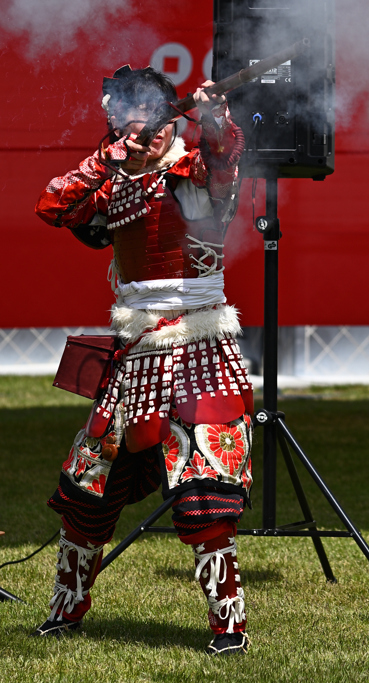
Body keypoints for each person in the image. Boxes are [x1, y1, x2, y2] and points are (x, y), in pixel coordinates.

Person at [33, 65, 252, 654]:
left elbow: (225, 158)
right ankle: (65, 610)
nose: (147, 131)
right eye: (131, 119)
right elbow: (54, 206)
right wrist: (108, 156)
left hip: (201, 349)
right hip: (135, 355)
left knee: (205, 497)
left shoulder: (192, 171)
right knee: (88, 491)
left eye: (152, 119)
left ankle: (229, 628)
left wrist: (210, 113)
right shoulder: (115, 179)